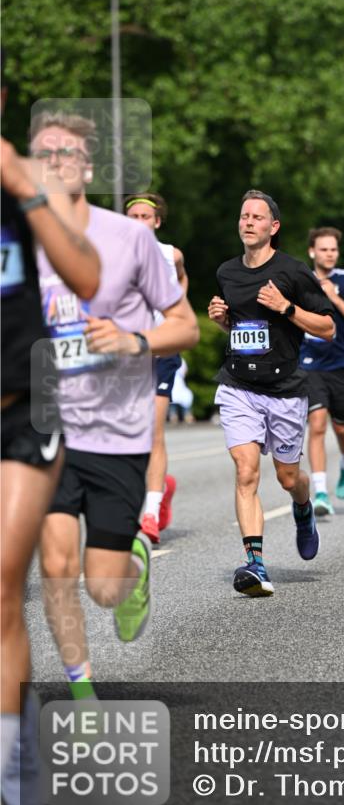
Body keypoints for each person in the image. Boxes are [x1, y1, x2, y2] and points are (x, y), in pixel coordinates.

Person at [32, 112, 199, 700]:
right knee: (54, 565)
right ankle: (82, 694)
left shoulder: (131, 239)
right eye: (45, 154)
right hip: (47, 429)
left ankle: (132, 568)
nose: (56, 164)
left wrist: (134, 341)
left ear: (90, 166)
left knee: (102, 587)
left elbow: (185, 326)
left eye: (68, 154)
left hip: (117, 433)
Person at [1, 132, 100, 805]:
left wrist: (20, 182)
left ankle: (13, 748)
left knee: (2, 580)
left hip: (21, 408)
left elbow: (87, 275)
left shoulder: (27, 178)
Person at [208, 190, 334, 597]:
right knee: (246, 471)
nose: (247, 222)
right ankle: (255, 564)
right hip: (238, 385)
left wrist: (287, 308)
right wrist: (223, 320)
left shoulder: (294, 272)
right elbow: (244, 332)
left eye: (257, 217)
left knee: (287, 476)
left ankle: (303, 507)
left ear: (273, 227)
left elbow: (328, 328)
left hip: (284, 390)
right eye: (243, 215)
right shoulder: (227, 272)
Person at [124, 192, 189, 543]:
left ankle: (148, 514)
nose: (138, 223)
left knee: (153, 431)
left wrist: (174, 318)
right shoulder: (110, 254)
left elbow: (181, 281)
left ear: (157, 222)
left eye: (144, 217)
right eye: (131, 217)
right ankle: (161, 487)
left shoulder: (170, 254)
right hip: (126, 355)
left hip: (161, 352)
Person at [299, 227, 344, 516]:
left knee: (340, 426)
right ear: (312, 252)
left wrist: (335, 298)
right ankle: (321, 493)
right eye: (324, 249)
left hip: (341, 364)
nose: (329, 254)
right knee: (316, 423)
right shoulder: (299, 280)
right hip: (308, 364)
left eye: (333, 249)